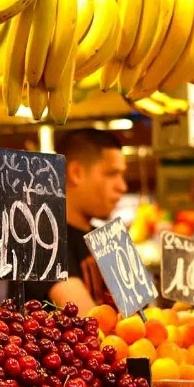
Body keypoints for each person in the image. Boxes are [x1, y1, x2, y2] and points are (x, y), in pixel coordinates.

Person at [25, 128, 128, 314]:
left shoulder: (108, 239)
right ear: (76, 173)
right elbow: (88, 320)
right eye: (112, 173)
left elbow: (143, 316)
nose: (122, 186)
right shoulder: (41, 240)